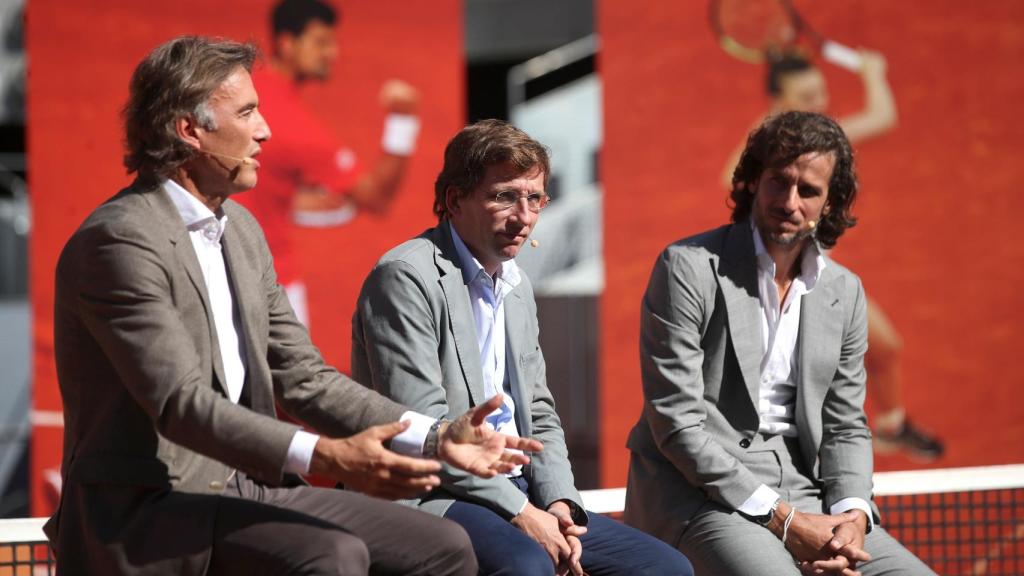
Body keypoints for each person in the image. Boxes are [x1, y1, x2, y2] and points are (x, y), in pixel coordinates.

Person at [45, 36, 542, 576]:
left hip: (250, 486)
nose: (265, 130)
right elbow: (181, 403)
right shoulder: (119, 239)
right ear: (190, 131)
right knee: (331, 554)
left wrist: (436, 436)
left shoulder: (242, 232)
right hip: (153, 503)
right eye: (248, 112)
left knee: (443, 548)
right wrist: (328, 456)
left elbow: (304, 377)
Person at [351, 120, 694, 576]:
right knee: (528, 566)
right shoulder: (405, 277)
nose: (524, 216)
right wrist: (522, 512)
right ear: (455, 200)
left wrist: (559, 502)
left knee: (664, 568)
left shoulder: (516, 284)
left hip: (519, 487)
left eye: (535, 198)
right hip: (432, 491)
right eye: (504, 196)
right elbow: (425, 430)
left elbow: (539, 408)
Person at [625, 111, 935, 575]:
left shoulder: (844, 290)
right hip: (698, 496)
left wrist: (852, 514)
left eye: (808, 190)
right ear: (752, 182)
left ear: (830, 203)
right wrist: (785, 521)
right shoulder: (687, 267)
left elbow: (845, 425)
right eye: (778, 182)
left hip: (809, 495)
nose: (789, 201)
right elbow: (678, 426)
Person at [720, 51, 943, 460]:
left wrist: (874, 72)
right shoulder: (770, 146)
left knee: (885, 346)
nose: (819, 103)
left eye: (821, 92)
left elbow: (881, 116)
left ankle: (891, 423)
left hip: (817, 275)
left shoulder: (823, 139)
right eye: (806, 97)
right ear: (777, 103)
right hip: (774, 286)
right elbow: (729, 176)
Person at [235, 0, 420, 326]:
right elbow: (376, 197)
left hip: (220, 271)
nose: (331, 52)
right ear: (287, 44)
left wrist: (285, 199)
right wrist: (403, 120)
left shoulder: (237, 89)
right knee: (294, 378)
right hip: (270, 284)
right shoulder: (296, 127)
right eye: (320, 42)